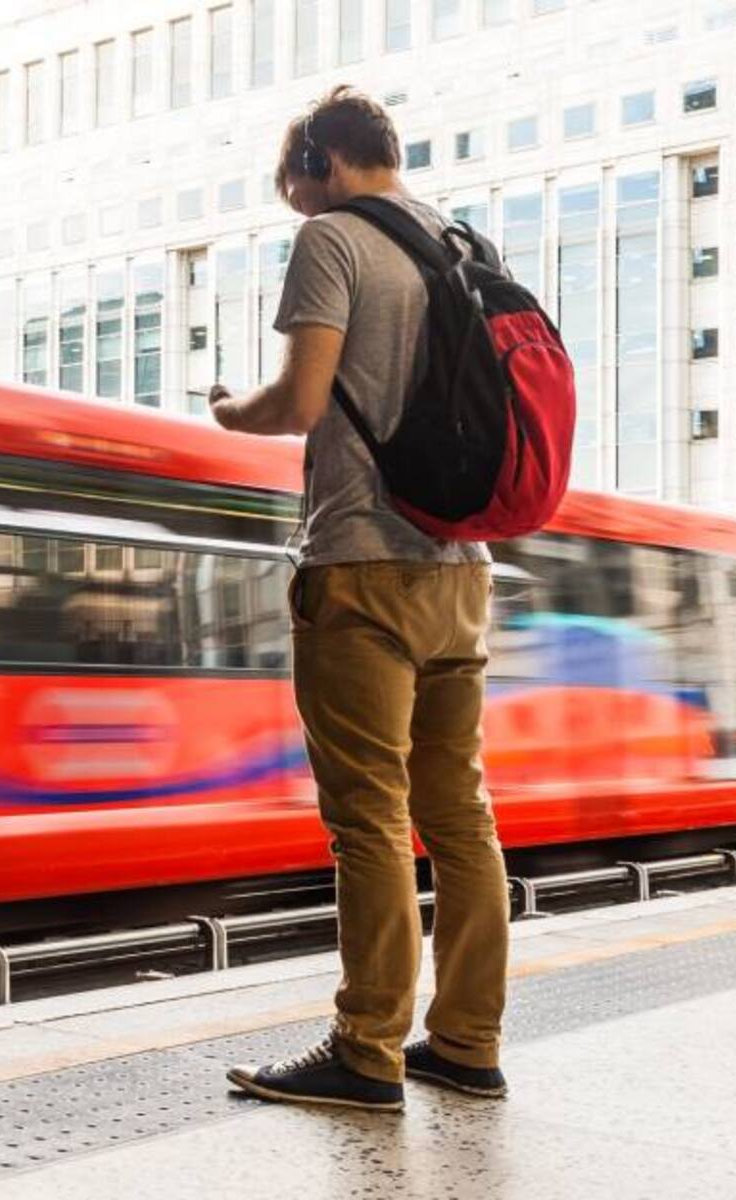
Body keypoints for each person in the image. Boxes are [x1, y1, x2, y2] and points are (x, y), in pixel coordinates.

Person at [215, 86, 509, 1112]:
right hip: (462, 570)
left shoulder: (335, 238)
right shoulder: (462, 241)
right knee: (460, 817)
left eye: (292, 185)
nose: (294, 205)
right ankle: (468, 1041)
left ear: (319, 160)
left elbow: (298, 401)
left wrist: (228, 411)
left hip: (361, 566)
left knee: (371, 818)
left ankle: (367, 1048)